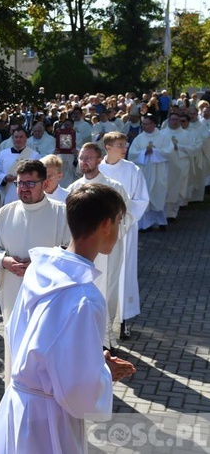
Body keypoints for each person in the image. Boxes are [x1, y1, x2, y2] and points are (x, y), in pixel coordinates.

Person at [0, 184, 136, 454]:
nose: (118, 230)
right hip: (48, 418)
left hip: (19, 401)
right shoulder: (86, 297)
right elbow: (77, 389)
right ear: (106, 225)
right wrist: (104, 373)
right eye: (118, 221)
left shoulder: (41, 270)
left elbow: (39, 340)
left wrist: (93, 358)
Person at [0, 159, 70, 385]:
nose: (23, 188)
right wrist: (4, 260)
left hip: (48, 294)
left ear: (45, 183)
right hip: (14, 291)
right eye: (20, 183)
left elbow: (72, 251)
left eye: (30, 183)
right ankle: (15, 390)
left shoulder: (62, 213)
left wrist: (40, 264)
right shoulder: (5, 213)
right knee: (15, 341)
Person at [67, 143, 131, 350]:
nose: (84, 161)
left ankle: (106, 341)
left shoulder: (114, 188)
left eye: (89, 158)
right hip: (82, 253)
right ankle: (85, 340)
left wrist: (107, 238)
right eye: (81, 158)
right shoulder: (74, 188)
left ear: (99, 159)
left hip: (107, 251)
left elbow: (127, 217)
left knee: (107, 292)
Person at [98, 132, 149, 340]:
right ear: (108, 147)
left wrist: (123, 221)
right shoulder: (98, 169)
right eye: (120, 144)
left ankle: (124, 319)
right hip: (99, 230)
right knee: (100, 273)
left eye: (125, 143)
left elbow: (141, 199)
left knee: (124, 272)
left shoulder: (132, 170)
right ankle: (100, 320)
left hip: (124, 229)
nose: (124, 147)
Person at [127, 114, 171, 231]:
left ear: (153, 124)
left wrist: (155, 151)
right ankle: (146, 224)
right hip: (144, 172)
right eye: (144, 124)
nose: (145, 126)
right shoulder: (139, 138)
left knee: (159, 195)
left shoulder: (163, 137)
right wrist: (143, 153)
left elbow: (169, 152)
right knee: (146, 196)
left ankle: (161, 222)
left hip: (159, 171)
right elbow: (131, 154)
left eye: (147, 123)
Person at [0, 128, 41, 208]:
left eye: (21, 137)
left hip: (27, 193)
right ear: (12, 138)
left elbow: (38, 176)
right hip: (8, 194)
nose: (18, 139)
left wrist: (23, 178)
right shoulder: (3, 154)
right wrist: (4, 178)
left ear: (26, 139)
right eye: (16, 137)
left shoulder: (34, 155)